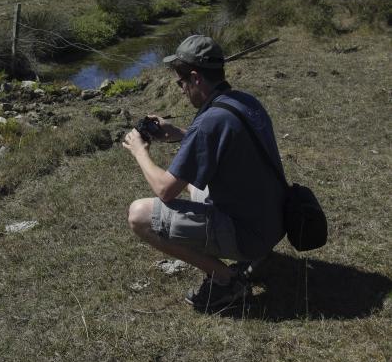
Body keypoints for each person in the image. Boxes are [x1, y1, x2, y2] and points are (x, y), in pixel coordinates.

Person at [122, 34, 286, 312]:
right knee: (196, 185)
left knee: (139, 215)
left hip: (250, 233)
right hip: (275, 220)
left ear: (196, 78)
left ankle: (226, 281)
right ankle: (257, 257)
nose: (181, 89)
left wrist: (140, 151)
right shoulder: (244, 101)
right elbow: (224, 145)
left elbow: (165, 189)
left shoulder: (208, 122)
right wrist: (179, 135)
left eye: (181, 82)